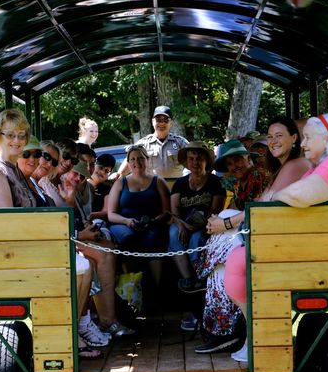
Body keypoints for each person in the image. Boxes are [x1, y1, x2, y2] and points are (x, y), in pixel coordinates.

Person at [223, 118, 311, 362]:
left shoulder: (295, 165)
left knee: (230, 258)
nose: (273, 141)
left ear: (294, 138)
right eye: (270, 136)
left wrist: (227, 224)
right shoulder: (283, 168)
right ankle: (252, 334)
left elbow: (265, 203)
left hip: (287, 243)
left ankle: (254, 336)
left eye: (279, 135)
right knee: (228, 256)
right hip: (277, 235)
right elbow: (261, 202)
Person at [194, 139, 268, 354]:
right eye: (229, 163)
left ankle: (223, 332)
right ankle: (225, 332)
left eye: (237, 159)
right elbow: (234, 209)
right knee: (219, 271)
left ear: (248, 158)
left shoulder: (257, 176)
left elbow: (254, 211)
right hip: (245, 237)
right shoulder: (240, 183)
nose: (234, 166)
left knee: (217, 269)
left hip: (260, 237)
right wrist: (215, 221)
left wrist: (223, 223)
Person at [61, 160, 135, 338]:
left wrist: (85, 228)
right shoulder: (52, 185)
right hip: (60, 242)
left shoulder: (73, 187)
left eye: (82, 176)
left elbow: (73, 219)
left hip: (69, 237)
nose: (78, 178)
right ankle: (104, 321)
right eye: (75, 173)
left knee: (109, 248)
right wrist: (81, 234)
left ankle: (103, 318)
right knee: (102, 255)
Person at [107, 145, 171, 288]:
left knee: (153, 238)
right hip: (124, 223)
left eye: (141, 158)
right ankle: (135, 286)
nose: (137, 162)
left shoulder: (158, 181)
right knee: (128, 238)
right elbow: (111, 214)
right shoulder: (120, 182)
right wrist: (127, 221)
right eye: (133, 159)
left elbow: (167, 212)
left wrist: (153, 221)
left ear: (147, 160)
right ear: (128, 163)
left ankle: (156, 287)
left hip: (152, 223)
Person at [169, 141, 226, 292]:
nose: (195, 162)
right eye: (191, 159)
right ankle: (187, 278)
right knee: (173, 233)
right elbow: (174, 210)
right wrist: (182, 226)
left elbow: (215, 210)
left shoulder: (215, 182)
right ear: (187, 162)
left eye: (199, 158)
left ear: (206, 160)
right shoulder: (180, 183)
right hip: (182, 223)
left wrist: (197, 226)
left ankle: (200, 277)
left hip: (207, 223)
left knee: (196, 237)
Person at [111, 106, 189, 179]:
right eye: (158, 120)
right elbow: (130, 162)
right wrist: (118, 174)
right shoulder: (143, 144)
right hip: (153, 187)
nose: (162, 123)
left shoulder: (181, 143)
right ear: (152, 122)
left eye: (166, 120)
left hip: (176, 187)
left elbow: (192, 163)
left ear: (171, 123)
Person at [0, 109, 35, 208]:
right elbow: (6, 216)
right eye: (10, 135)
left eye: (21, 135)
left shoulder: (15, 169)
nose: (16, 140)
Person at [16, 136, 56, 207]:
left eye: (37, 154)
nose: (32, 159)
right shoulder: (12, 183)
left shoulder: (34, 184)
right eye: (26, 154)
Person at [88, 153, 116, 222]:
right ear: (93, 166)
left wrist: (91, 216)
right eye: (100, 168)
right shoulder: (81, 182)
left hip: (98, 222)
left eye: (106, 171)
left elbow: (106, 212)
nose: (102, 172)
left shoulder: (106, 189)